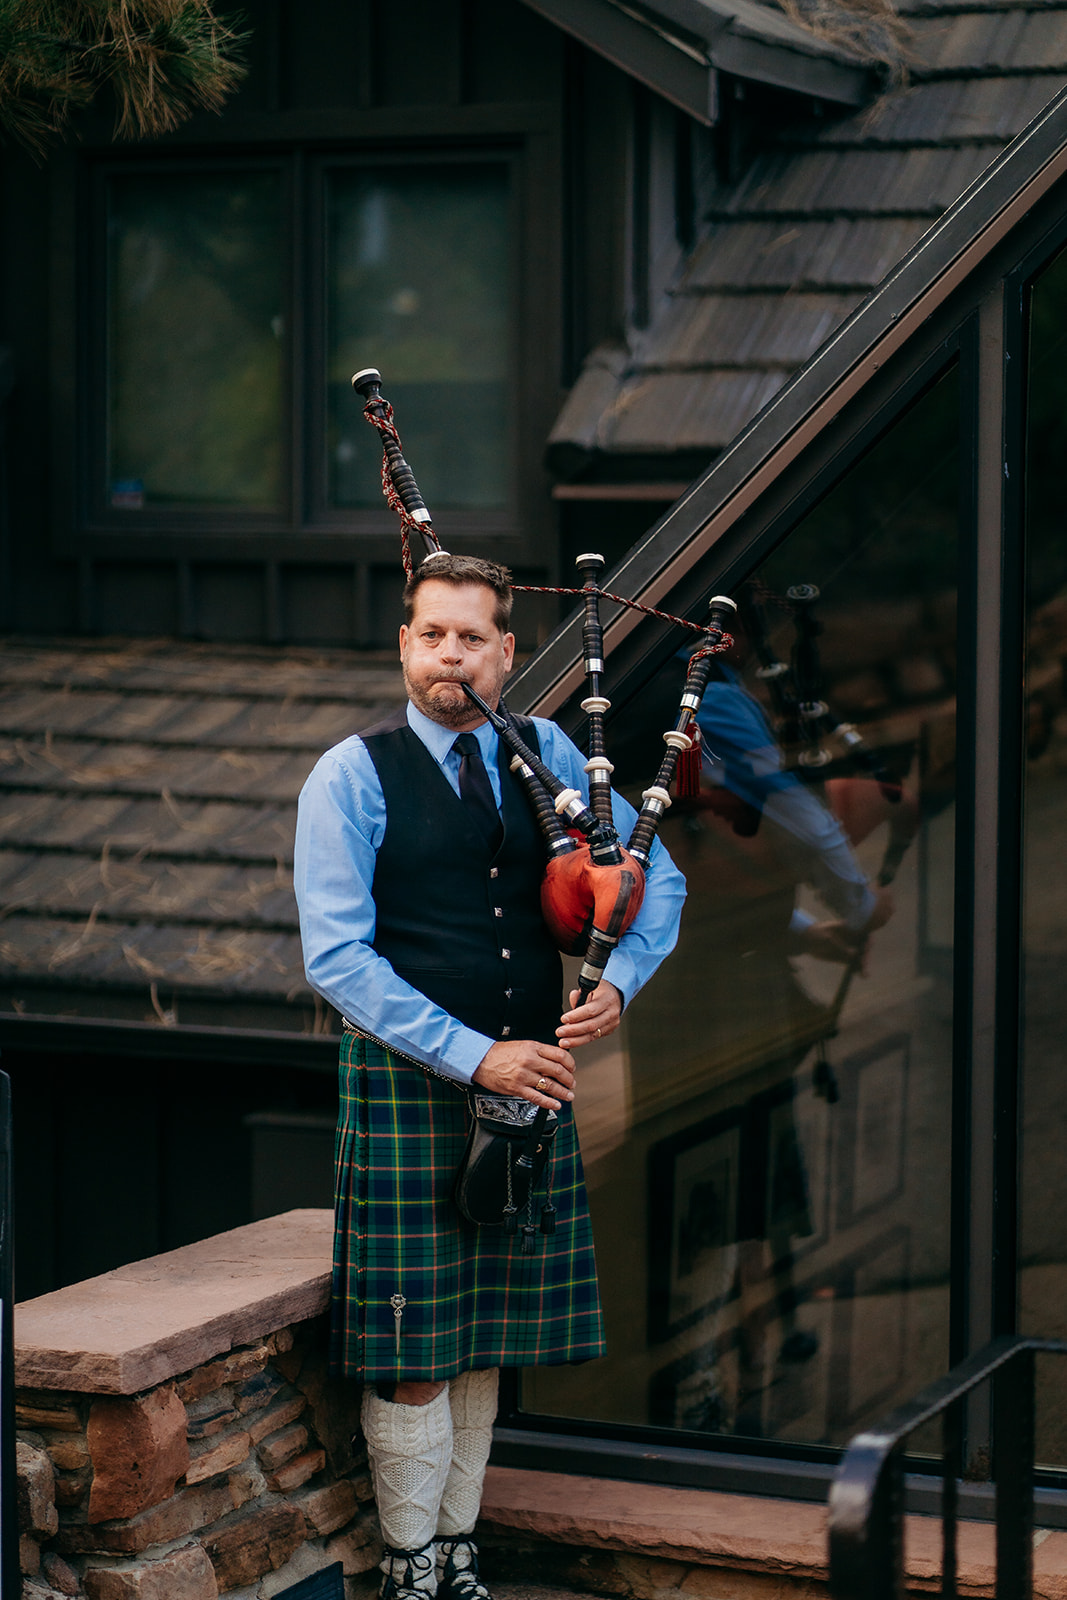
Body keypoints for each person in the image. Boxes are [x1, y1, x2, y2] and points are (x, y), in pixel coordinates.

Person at [294, 554, 686, 1600]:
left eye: (470, 637)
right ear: (404, 645)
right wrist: (475, 1053)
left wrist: (622, 982)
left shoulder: (548, 752)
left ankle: (457, 1550)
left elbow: (651, 880)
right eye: (430, 635)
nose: (448, 656)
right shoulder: (351, 774)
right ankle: (411, 1564)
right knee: (420, 1341)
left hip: (531, 1089)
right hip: (409, 1087)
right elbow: (335, 959)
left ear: (507, 652)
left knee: (482, 1337)